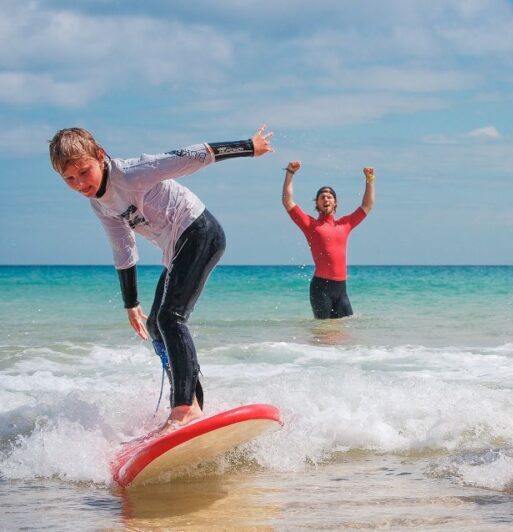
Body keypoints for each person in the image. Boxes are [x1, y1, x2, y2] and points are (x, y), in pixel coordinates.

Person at [49, 125, 273, 434]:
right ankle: (192, 403)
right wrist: (131, 303)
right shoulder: (99, 204)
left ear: (99, 157)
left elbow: (191, 156)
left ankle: (182, 409)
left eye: (84, 172)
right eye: (69, 179)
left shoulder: (130, 172)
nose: (80, 184)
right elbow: (123, 247)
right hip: (177, 247)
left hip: (200, 231)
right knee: (157, 323)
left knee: (171, 318)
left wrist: (248, 146)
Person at [282, 161, 374, 319]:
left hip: (341, 289)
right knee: (324, 333)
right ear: (317, 203)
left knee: (345, 331)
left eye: (329, 197)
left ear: (335, 202)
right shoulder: (311, 225)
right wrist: (290, 172)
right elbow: (288, 201)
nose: (326, 199)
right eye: (322, 197)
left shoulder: (345, 224)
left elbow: (367, 205)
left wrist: (369, 179)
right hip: (321, 288)